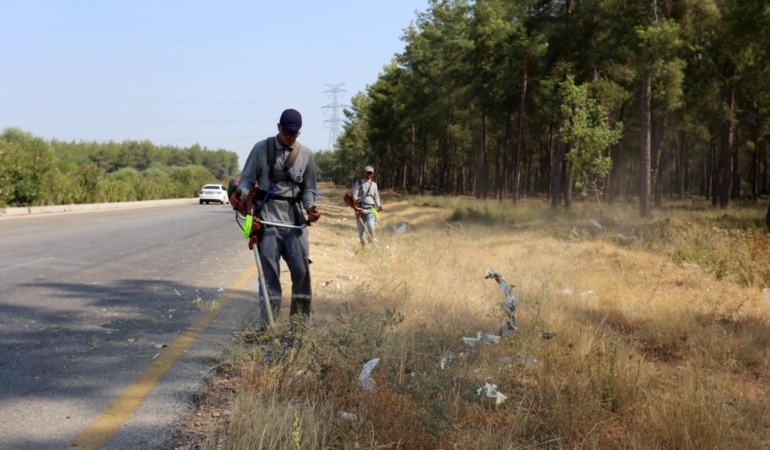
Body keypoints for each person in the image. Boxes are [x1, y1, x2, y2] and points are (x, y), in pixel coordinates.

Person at [231, 109, 322, 327]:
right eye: (287, 133)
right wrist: (241, 193)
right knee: (270, 277)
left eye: (295, 134)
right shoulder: (260, 149)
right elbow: (246, 180)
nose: (290, 138)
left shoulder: (306, 154)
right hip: (267, 220)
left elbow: (309, 189)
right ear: (278, 127)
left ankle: (299, 324)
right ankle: (267, 326)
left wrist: (310, 208)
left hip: (294, 221)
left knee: (301, 272)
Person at [352, 165, 382, 245]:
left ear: (372, 174)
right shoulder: (358, 183)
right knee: (361, 230)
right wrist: (356, 201)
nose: (369, 174)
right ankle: (364, 246)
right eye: (367, 172)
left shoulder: (374, 185)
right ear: (364, 172)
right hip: (360, 210)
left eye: (370, 173)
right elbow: (355, 194)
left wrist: (379, 206)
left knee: (371, 227)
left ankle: (371, 242)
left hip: (370, 209)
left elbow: (376, 197)